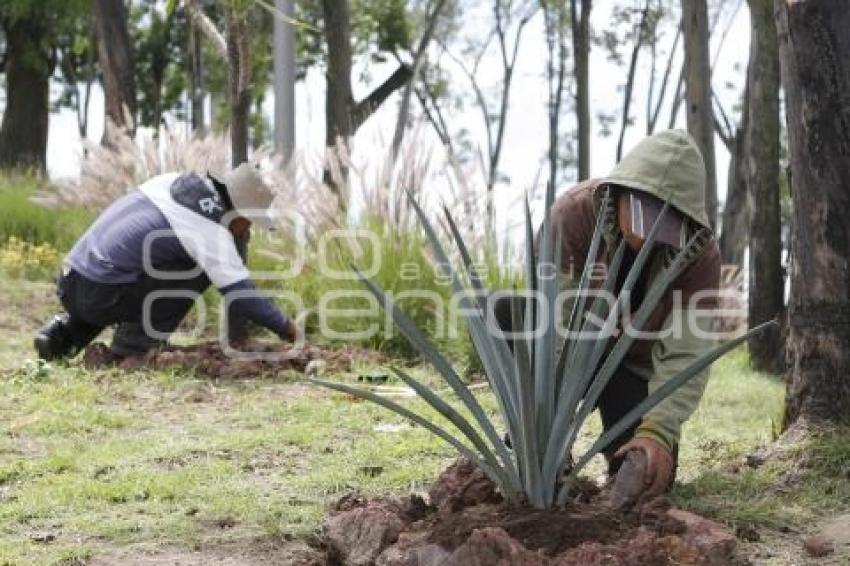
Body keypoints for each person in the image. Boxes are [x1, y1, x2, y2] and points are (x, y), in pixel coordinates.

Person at [497, 129, 720, 502]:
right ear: (620, 192)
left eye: (666, 223)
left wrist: (658, 432)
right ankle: (537, 446)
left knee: (640, 478)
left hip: (630, 367)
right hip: (564, 357)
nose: (650, 234)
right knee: (502, 311)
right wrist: (543, 436)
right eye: (644, 213)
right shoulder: (573, 216)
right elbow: (555, 323)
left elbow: (686, 351)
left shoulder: (697, 254)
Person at [34, 163, 297, 361]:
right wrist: (288, 329)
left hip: (71, 279)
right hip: (103, 294)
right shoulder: (211, 231)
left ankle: (62, 335)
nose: (248, 229)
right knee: (196, 270)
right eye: (250, 221)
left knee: (127, 267)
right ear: (240, 211)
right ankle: (133, 349)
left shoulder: (170, 181)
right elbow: (242, 295)